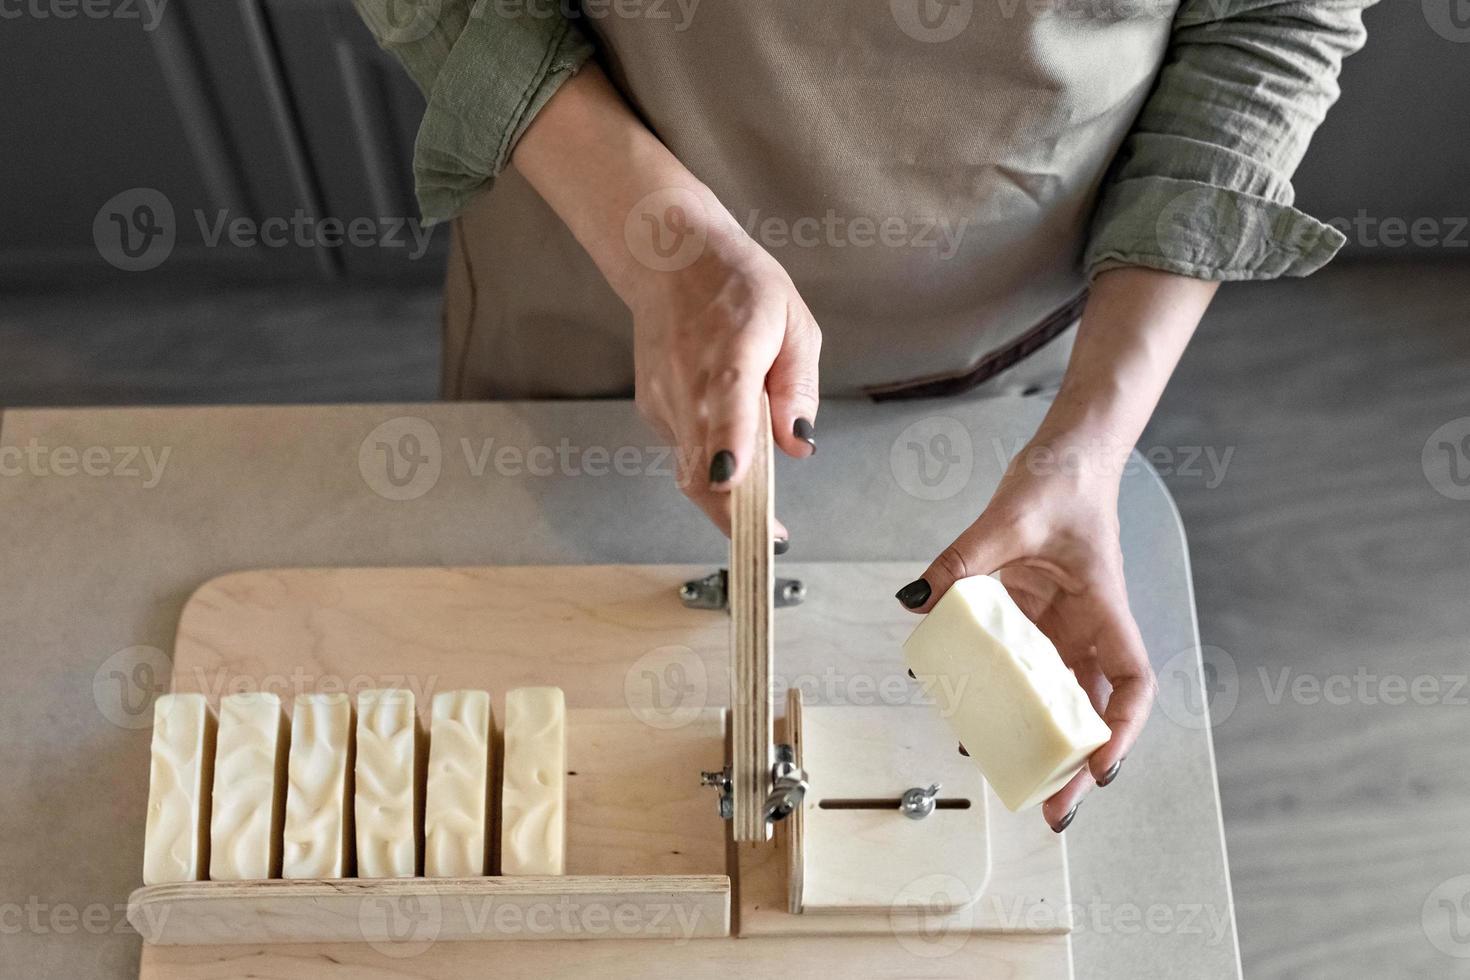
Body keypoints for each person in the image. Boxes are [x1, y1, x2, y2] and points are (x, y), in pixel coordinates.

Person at [354, 0, 1374, 831]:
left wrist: (1087, 444)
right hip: (597, 300)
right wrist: (661, 241)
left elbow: (1274, 22)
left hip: (993, 367)